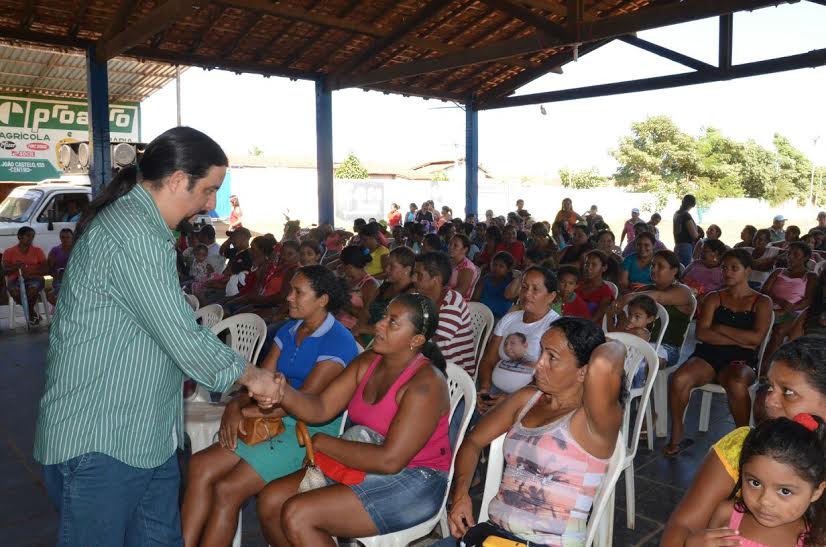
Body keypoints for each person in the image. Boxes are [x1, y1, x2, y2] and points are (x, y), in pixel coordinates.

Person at [32, 127, 277, 545]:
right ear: (179, 179)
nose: (212, 203)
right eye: (209, 189)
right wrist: (253, 377)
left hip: (145, 436)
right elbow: (181, 337)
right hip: (103, 438)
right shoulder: (133, 234)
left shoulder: (143, 230)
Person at [252, 293, 452, 545]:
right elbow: (322, 407)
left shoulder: (426, 385)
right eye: (384, 317)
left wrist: (323, 443)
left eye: (392, 322)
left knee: (299, 513)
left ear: (416, 340)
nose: (379, 324)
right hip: (366, 456)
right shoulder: (369, 361)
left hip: (414, 480)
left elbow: (390, 461)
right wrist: (282, 393)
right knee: (271, 500)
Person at [182, 265, 358, 546]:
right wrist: (235, 406)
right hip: (269, 417)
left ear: (322, 300)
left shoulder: (338, 341)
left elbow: (304, 403)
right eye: (291, 290)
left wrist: (243, 410)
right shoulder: (291, 329)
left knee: (228, 489)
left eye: (298, 292)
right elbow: (260, 380)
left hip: (307, 428)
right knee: (201, 466)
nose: (289, 297)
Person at [437, 319, 626, 547]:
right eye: (541, 353)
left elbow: (604, 364)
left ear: (584, 372)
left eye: (551, 357)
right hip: (494, 536)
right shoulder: (527, 399)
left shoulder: (594, 422)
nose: (538, 364)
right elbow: (474, 441)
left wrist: (615, 342)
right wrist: (460, 495)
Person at [662, 336, 826, 545]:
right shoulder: (745, 446)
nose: (769, 401)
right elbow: (683, 526)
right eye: (769, 387)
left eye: (788, 392)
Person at [665, 249, 773, 456]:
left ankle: (743, 440)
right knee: (679, 378)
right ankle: (676, 434)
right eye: (724, 268)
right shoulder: (715, 298)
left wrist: (720, 328)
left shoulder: (762, 302)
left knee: (736, 383)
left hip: (742, 359)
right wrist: (741, 337)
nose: (728, 272)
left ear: (748, 271)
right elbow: (703, 334)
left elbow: (756, 339)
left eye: (734, 268)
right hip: (709, 354)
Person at [704, 415, 826, 547]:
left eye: (785, 491)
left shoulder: (816, 540)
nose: (765, 501)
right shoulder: (726, 513)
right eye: (755, 483)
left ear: (816, 492)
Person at [476, 267, 560, 410]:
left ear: (551, 296)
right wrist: (484, 389)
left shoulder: (555, 328)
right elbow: (489, 360)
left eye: (535, 289)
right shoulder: (509, 319)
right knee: (458, 415)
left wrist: (511, 400)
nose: (527, 294)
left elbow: (548, 377)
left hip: (526, 399)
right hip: (492, 390)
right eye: (524, 287)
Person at [617, 250, 694, 370]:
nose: (653, 269)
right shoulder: (645, 289)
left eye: (660, 266)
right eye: (652, 265)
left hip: (667, 348)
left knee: (639, 365)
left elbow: (659, 296)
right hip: (638, 341)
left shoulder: (683, 291)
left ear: (674, 271)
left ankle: (635, 388)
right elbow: (624, 313)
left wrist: (629, 296)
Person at [413, 251, 476, 377]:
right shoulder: (421, 299)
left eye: (419, 275)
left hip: (454, 375)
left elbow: (428, 342)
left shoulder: (451, 303)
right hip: (430, 365)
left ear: (436, 279)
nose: (413, 278)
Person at [761, 241, 818, 371]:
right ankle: (751, 357)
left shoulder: (810, 276)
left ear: (805, 258)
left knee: (779, 330)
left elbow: (809, 300)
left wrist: (789, 308)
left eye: (796, 255)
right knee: (755, 324)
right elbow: (764, 291)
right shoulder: (778, 272)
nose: (790, 257)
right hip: (770, 307)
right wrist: (780, 302)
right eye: (789, 254)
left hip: (795, 312)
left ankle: (767, 364)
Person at [355, 246, 416, 344]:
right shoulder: (386, 286)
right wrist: (359, 328)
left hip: (386, 341)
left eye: (392, 266)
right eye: (387, 265)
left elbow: (396, 327)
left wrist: (365, 329)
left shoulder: (411, 294)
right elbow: (366, 310)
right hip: (366, 334)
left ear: (407, 269)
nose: (387, 269)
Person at [2, 226, 47, 325]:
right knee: (15, 292)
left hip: (34, 278)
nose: (31, 238)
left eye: (32, 236)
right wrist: (16, 267)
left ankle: (30, 313)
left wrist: (31, 272)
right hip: (15, 279)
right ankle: (32, 312)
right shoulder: (9, 252)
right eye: (28, 236)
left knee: (32, 291)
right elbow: (4, 270)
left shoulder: (37, 251)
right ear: (19, 237)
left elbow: (45, 268)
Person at [335, 246, 380, 333]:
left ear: (349, 266)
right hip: (337, 323)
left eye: (342, 264)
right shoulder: (346, 279)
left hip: (352, 330)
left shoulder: (370, 285)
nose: (340, 267)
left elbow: (367, 315)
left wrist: (343, 303)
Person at [473, 251, 516, 321]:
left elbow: (510, 297)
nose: (496, 268)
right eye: (494, 265)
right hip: (481, 315)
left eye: (501, 266)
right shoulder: (484, 279)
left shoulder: (510, 283)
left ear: (508, 269)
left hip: (500, 318)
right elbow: (475, 299)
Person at [577, 250, 616, 324]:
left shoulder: (605, 292)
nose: (588, 268)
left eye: (594, 265)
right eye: (586, 264)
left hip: (589, 328)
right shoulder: (577, 284)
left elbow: (593, 320)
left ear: (604, 268)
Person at [682, 238, 725, 304]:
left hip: (704, 304)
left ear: (715, 253)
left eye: (705, 251)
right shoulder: (696, 263)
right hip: (681, 295)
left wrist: (706, 297)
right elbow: (681, 279)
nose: (701, 253)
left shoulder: (723, 271)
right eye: (701, 250)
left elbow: (723, 292)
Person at [447, 234, 480, 300]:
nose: (450, 247)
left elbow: (461, 291)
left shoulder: (467, 267)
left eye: (455, 245)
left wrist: (441, 295)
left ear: (465, 249)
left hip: (457, 302)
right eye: (450, 244)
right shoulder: (450, 261)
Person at [46, 228, 74, 305]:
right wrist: (48, 284)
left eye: (68, 237)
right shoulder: (55, 251)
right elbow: (49, 269)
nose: (65, 240)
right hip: (57, 281)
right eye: (63, 237)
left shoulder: (77, 251)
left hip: (73, 281)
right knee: (51, 295)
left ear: (72, 238)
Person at [673, 194, 699, 267]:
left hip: (677, 245)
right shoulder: (686, 215)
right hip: (686, 247)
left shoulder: (677, 213)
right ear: (693, 205)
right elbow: (694, 235)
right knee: (685, 270)